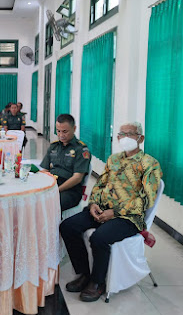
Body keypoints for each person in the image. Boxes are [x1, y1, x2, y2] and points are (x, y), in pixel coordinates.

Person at [60, 122, 162, 303]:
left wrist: (114, 212)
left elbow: (146, 199)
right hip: (101, 209)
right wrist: (93, 204)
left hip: (129, 217)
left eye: (130, 134)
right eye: (122, 134)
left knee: (99, 238)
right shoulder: (113, 160)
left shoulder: (150, 164)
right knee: (68, 226)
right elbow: (100, 185)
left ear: (141, 138)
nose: (125, 137)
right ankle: (84, 273)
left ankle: (97, 282)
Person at [40, 114, 91, 211]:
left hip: (70, 189)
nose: (61, 135)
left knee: (50, 204)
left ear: (74, 128)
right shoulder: (54, 146)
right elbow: (45, 170)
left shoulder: (81, 149)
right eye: (58, 131)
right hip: (53, 183)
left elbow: (77, 178)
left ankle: (53, 226)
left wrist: (56, 190)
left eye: (65, 131)